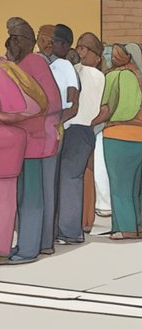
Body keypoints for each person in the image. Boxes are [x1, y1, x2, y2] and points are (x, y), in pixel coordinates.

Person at [0, 25, 45, 264]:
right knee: (4, 196)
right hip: (13, 141)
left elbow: (25, 109)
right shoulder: (14, 70)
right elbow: (38, 104)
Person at [6, 18, 63, 264]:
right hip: (27, 141)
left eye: (16, 38)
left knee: (31, 197)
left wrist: (16, 114)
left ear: (28, 41)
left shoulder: (34, 63)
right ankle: (38, 244)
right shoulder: (21, 64)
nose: (11, 42)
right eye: (10, 37)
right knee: (33, 195)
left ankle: (29, 249)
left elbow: (51, 102)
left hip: (37, 141)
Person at [61, 33, 105, 242]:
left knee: (68, 180)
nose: (79, 52)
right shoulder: (101, 75)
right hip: (89, 130)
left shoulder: (78, 71)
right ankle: (80, 225)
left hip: (73, 128)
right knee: (80, 178)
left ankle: (70, 230)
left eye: (82, 48)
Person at [44, 25, 84, 247]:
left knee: (54, 182)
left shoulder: (66, 67)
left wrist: (56, 122)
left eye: (57, 42)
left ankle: (60, 232)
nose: (52, 45)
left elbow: (73, 103)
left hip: (60, 130)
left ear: (66, 45)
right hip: (52, 128)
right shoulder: (52, 66)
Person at [97, 43, 142, 240]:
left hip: (118, 135)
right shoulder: (139, 78)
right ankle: (138, 226)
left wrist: (90, 122)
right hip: (140, 137)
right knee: (135, 188)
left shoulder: (115, 76)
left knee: (119, 186)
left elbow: (106, 109)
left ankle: (124, 228)